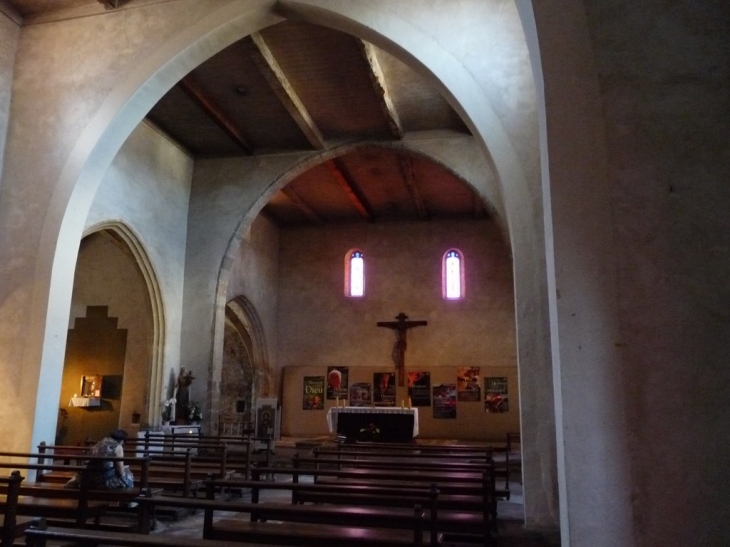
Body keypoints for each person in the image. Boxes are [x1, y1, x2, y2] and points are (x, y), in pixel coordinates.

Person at [65, 429, 134, 490]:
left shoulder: (100, 442)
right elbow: (120, 471)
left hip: (91, 478)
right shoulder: (118, 446)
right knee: (129, 477)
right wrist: (126, 471)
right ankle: (128, 502)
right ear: (122, 440)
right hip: (105, 481)